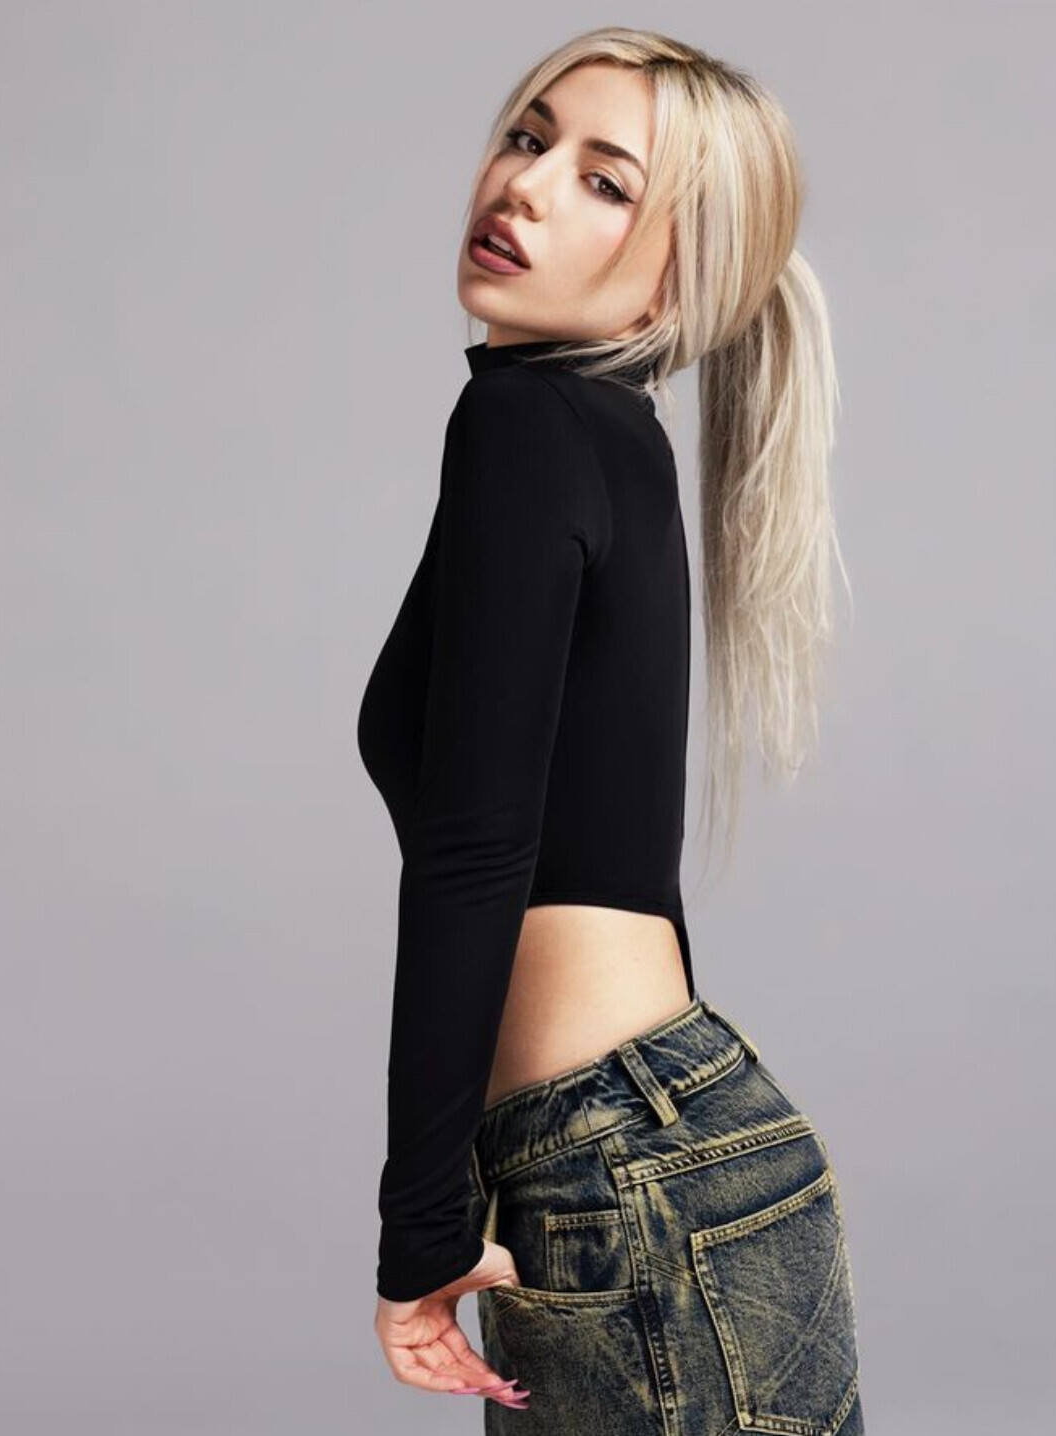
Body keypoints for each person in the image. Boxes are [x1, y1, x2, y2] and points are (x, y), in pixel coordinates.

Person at [356, 25, 866, 1433]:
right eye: (529, 138)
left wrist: (420, 1228)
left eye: (605, 180)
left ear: (679, 275)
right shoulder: (600, 430)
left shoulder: (529, 431)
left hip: (617, 1169)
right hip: (649, 1147)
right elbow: (616, 847)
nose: (522, 186)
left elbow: (476, 851)